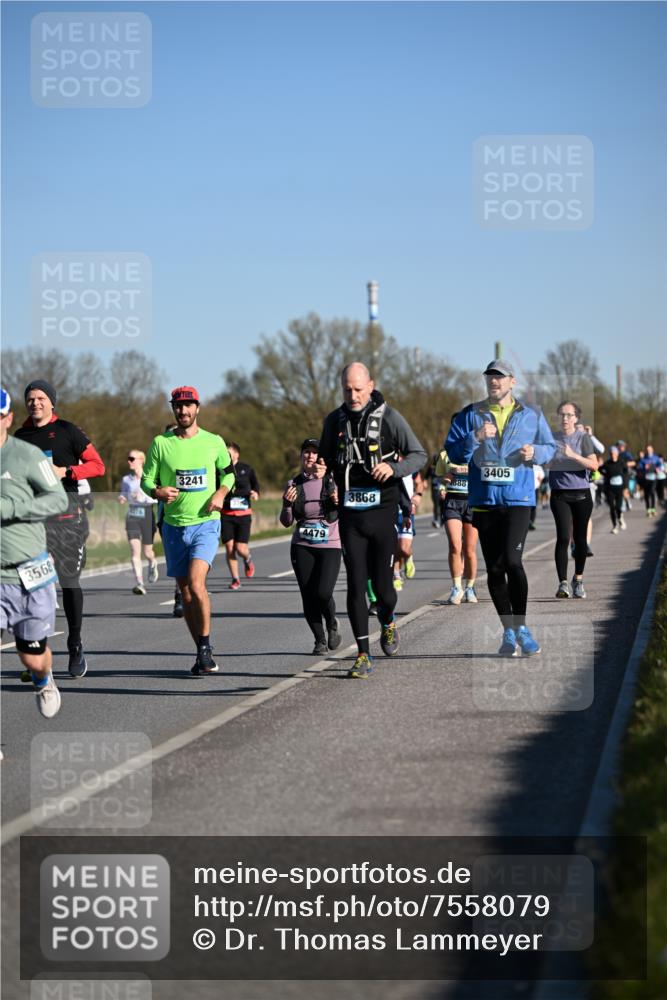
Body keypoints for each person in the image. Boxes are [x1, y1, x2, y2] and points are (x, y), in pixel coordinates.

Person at [319, 362, 427, 678]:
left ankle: (389, 621)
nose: (352, 395)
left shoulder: (391, 418)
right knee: (355, 583)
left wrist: (394, 469)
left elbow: (419, 454)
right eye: (346, 390)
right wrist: (329, 485)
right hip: (351, 514)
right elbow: (326, 461)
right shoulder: (334, 421)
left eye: (357, 389)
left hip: (382, 511)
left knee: (383, 589)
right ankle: (364, 654)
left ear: (370, 385)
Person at [445, 359, 556, 657]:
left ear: (512, 382)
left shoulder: (531, 415)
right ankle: (508, 630)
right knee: (494, 568)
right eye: (489, 378)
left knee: (512, 560)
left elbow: (551, 447)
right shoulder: (471, 414)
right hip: (484, 501)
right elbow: (452, 450)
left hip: (518, 499)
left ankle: (521, 627)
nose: (493, 382)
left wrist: (536, 452)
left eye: (499, 378)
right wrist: (475, 437)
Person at [142, 386, 235, 675]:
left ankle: (205, 646)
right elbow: (146, 481)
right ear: (173, 409)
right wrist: (157, 491)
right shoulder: (161, 443)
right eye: (178, 407)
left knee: (197, 584)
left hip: (205, 523)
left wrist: (220, 493)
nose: (183, 411)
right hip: (173, 526)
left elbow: (228, 473)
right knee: (185, 592)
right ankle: (201, 651)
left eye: (188, 406)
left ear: (198, 407)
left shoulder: (213, 441)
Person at [15, 379, 105, 678]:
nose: (35, 402)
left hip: (67, 518)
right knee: (32, 585)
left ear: (51, 402)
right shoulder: (20, 436)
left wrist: (66, 471)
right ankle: (35, 649)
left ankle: (75, 643)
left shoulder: (67, 430)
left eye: (41, 398)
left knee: (68, 582)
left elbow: (97, 465)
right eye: (30, 398)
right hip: (33, 522)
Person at [0, 388, 69, 717]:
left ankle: (44, 679)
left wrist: (11, 506)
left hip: (29, 571)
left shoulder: (27, 455)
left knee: (31, 655)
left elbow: (58, 500)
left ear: (8, 419)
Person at [280, 438, 342, 654]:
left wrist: (338, 501)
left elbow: (347, 512)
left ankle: (332, 622)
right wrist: (287, 505)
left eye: (314, 453)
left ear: (320, 457)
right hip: (302, 544)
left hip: (330, 544)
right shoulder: (293, 484)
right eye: (306, 452)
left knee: (323, 592)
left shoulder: (334, 481)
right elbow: (287, 521)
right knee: (308, 595)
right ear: (302, 456)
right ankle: (319, 640)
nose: (310, 456)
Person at [548, 402, 599, 599]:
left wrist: (573, 455)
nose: (565, 418)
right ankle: (562, 583)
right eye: (562, 414)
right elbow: (545, 461)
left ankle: (578, 579)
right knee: (562, 537)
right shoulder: (552, 438)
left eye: (569, 415)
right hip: (560, 494)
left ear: (576, 418)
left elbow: (594, 465)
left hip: (581, 495)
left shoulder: (583, 438)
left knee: (579, 540)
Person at [435, 434, 479, 605]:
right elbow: (440, 476)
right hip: (452, 501)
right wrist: (443, 485)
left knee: (469, 549)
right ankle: (456, 587)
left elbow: (484, 471)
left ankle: (470, 587)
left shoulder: (478, 451)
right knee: (454, 545)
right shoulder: (445, 453)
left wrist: (462, 471)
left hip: (472, 501)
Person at [118, 450, 159, 594]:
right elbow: (123, 495)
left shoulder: (150, 478)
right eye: (128, 458)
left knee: (147, 552)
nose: (129, 461)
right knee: (135, 551)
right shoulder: (126, 480)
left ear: (141, 460)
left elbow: (157, 498)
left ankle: (152, 562)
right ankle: (140, 583)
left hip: (147, 513)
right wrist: (124, 498)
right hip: (133, 515)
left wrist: (143, 497)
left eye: (132, 458)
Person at [221, 443, 260, 590]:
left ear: (237, 454)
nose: (227, 456)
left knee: (240, 548)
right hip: (226, 514)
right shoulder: (221, 470)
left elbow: (256, 486)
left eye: (229, 453)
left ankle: (247, 559)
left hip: (243, 514)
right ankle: (235, 579)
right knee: (230, 547)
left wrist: (255, 493)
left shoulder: (247, 469)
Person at [599, 446, 628, 533]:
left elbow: (626, 474)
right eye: (611, 454)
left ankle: (620, 517)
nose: (612, 455)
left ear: (617, 454)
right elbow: (600, 469)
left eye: (614, 453)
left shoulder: (621, 462)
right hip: (610, 489)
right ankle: (615, 526)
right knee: (612, 508)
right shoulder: (607, 463)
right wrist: (605, 475)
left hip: (619, 489)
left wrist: (625, 488)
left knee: (618, 507)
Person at [637, 445, 662, 517]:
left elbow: (660, 465)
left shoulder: (656, 458)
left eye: (650, 449)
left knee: (652, 492)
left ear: (652, 450)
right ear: (646, 451)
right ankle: (648, 510)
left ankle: (653, 509)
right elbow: (640, 467)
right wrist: (644, 467)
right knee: (647, 494)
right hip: (646, 478)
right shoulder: (643, 459)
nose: (648, 451)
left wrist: (658, 469)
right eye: (647, 450)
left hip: (653, 478)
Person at [528, 463, 544, 530]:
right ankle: (528, 522)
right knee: (527, 506)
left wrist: (539, 485)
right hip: (527, 489)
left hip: (535, 489)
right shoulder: (526, 465)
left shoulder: (537, 466)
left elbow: (541, 477)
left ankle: (531, 522)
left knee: (533, 506)